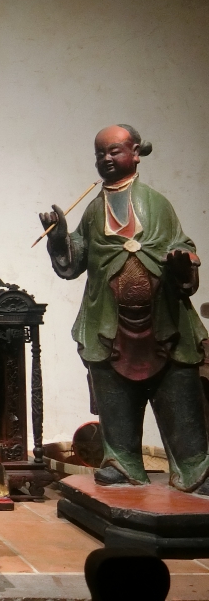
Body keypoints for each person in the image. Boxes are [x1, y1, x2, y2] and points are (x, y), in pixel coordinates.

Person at [39, 125, 209, 492]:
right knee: (114, 397)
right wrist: (59, 238)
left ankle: (194, 467)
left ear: (135, 152)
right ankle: (121, 461)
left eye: (114, 151)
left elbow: (181, 245)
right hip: (109, 323)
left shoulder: (158, 204)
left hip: (163, 322)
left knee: (179, 394)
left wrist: (183, 262)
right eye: (100, 153)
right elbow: (74, 261)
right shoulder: (92, 210)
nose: (106, 159)